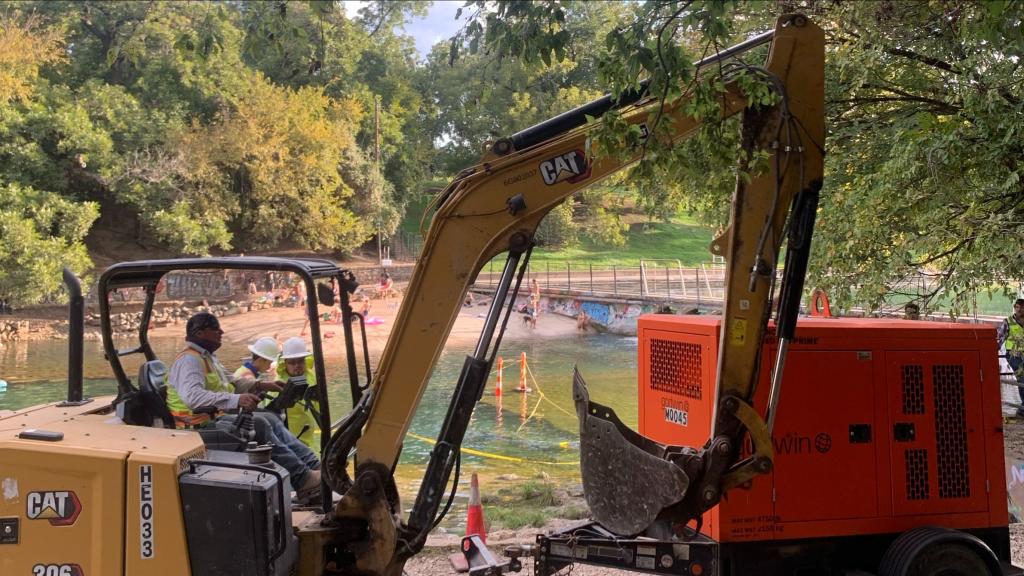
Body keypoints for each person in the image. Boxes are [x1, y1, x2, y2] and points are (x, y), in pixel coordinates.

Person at [165, 313, 322, 498]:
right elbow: (193, 397)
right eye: (215, 328)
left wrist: (262, 385)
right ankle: (302, 479)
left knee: (268, 417)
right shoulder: (189, 361)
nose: (221, 331)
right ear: (199, 333)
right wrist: (237, 400)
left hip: (212, 420)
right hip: (196, 427)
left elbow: (233, 381)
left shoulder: (206, 358)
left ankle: (313, 465)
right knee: (260, 425)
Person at [274, 337, 322, 450]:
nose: (297, 366)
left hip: (306, 434)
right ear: (284, 363)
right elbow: (273, 414)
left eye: (300, 361)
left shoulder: (310, 375)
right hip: (289, 438)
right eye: (292, 363)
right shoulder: (279, 385)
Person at [999, 299, 1024, 417]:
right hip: (1014, 355)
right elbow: (1000, 338)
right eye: (1018, 307)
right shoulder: (1008, 322)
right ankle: (1023, 408)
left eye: (1022, 308)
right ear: (1015, 307)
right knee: (1022, 378)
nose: (1019, 310)